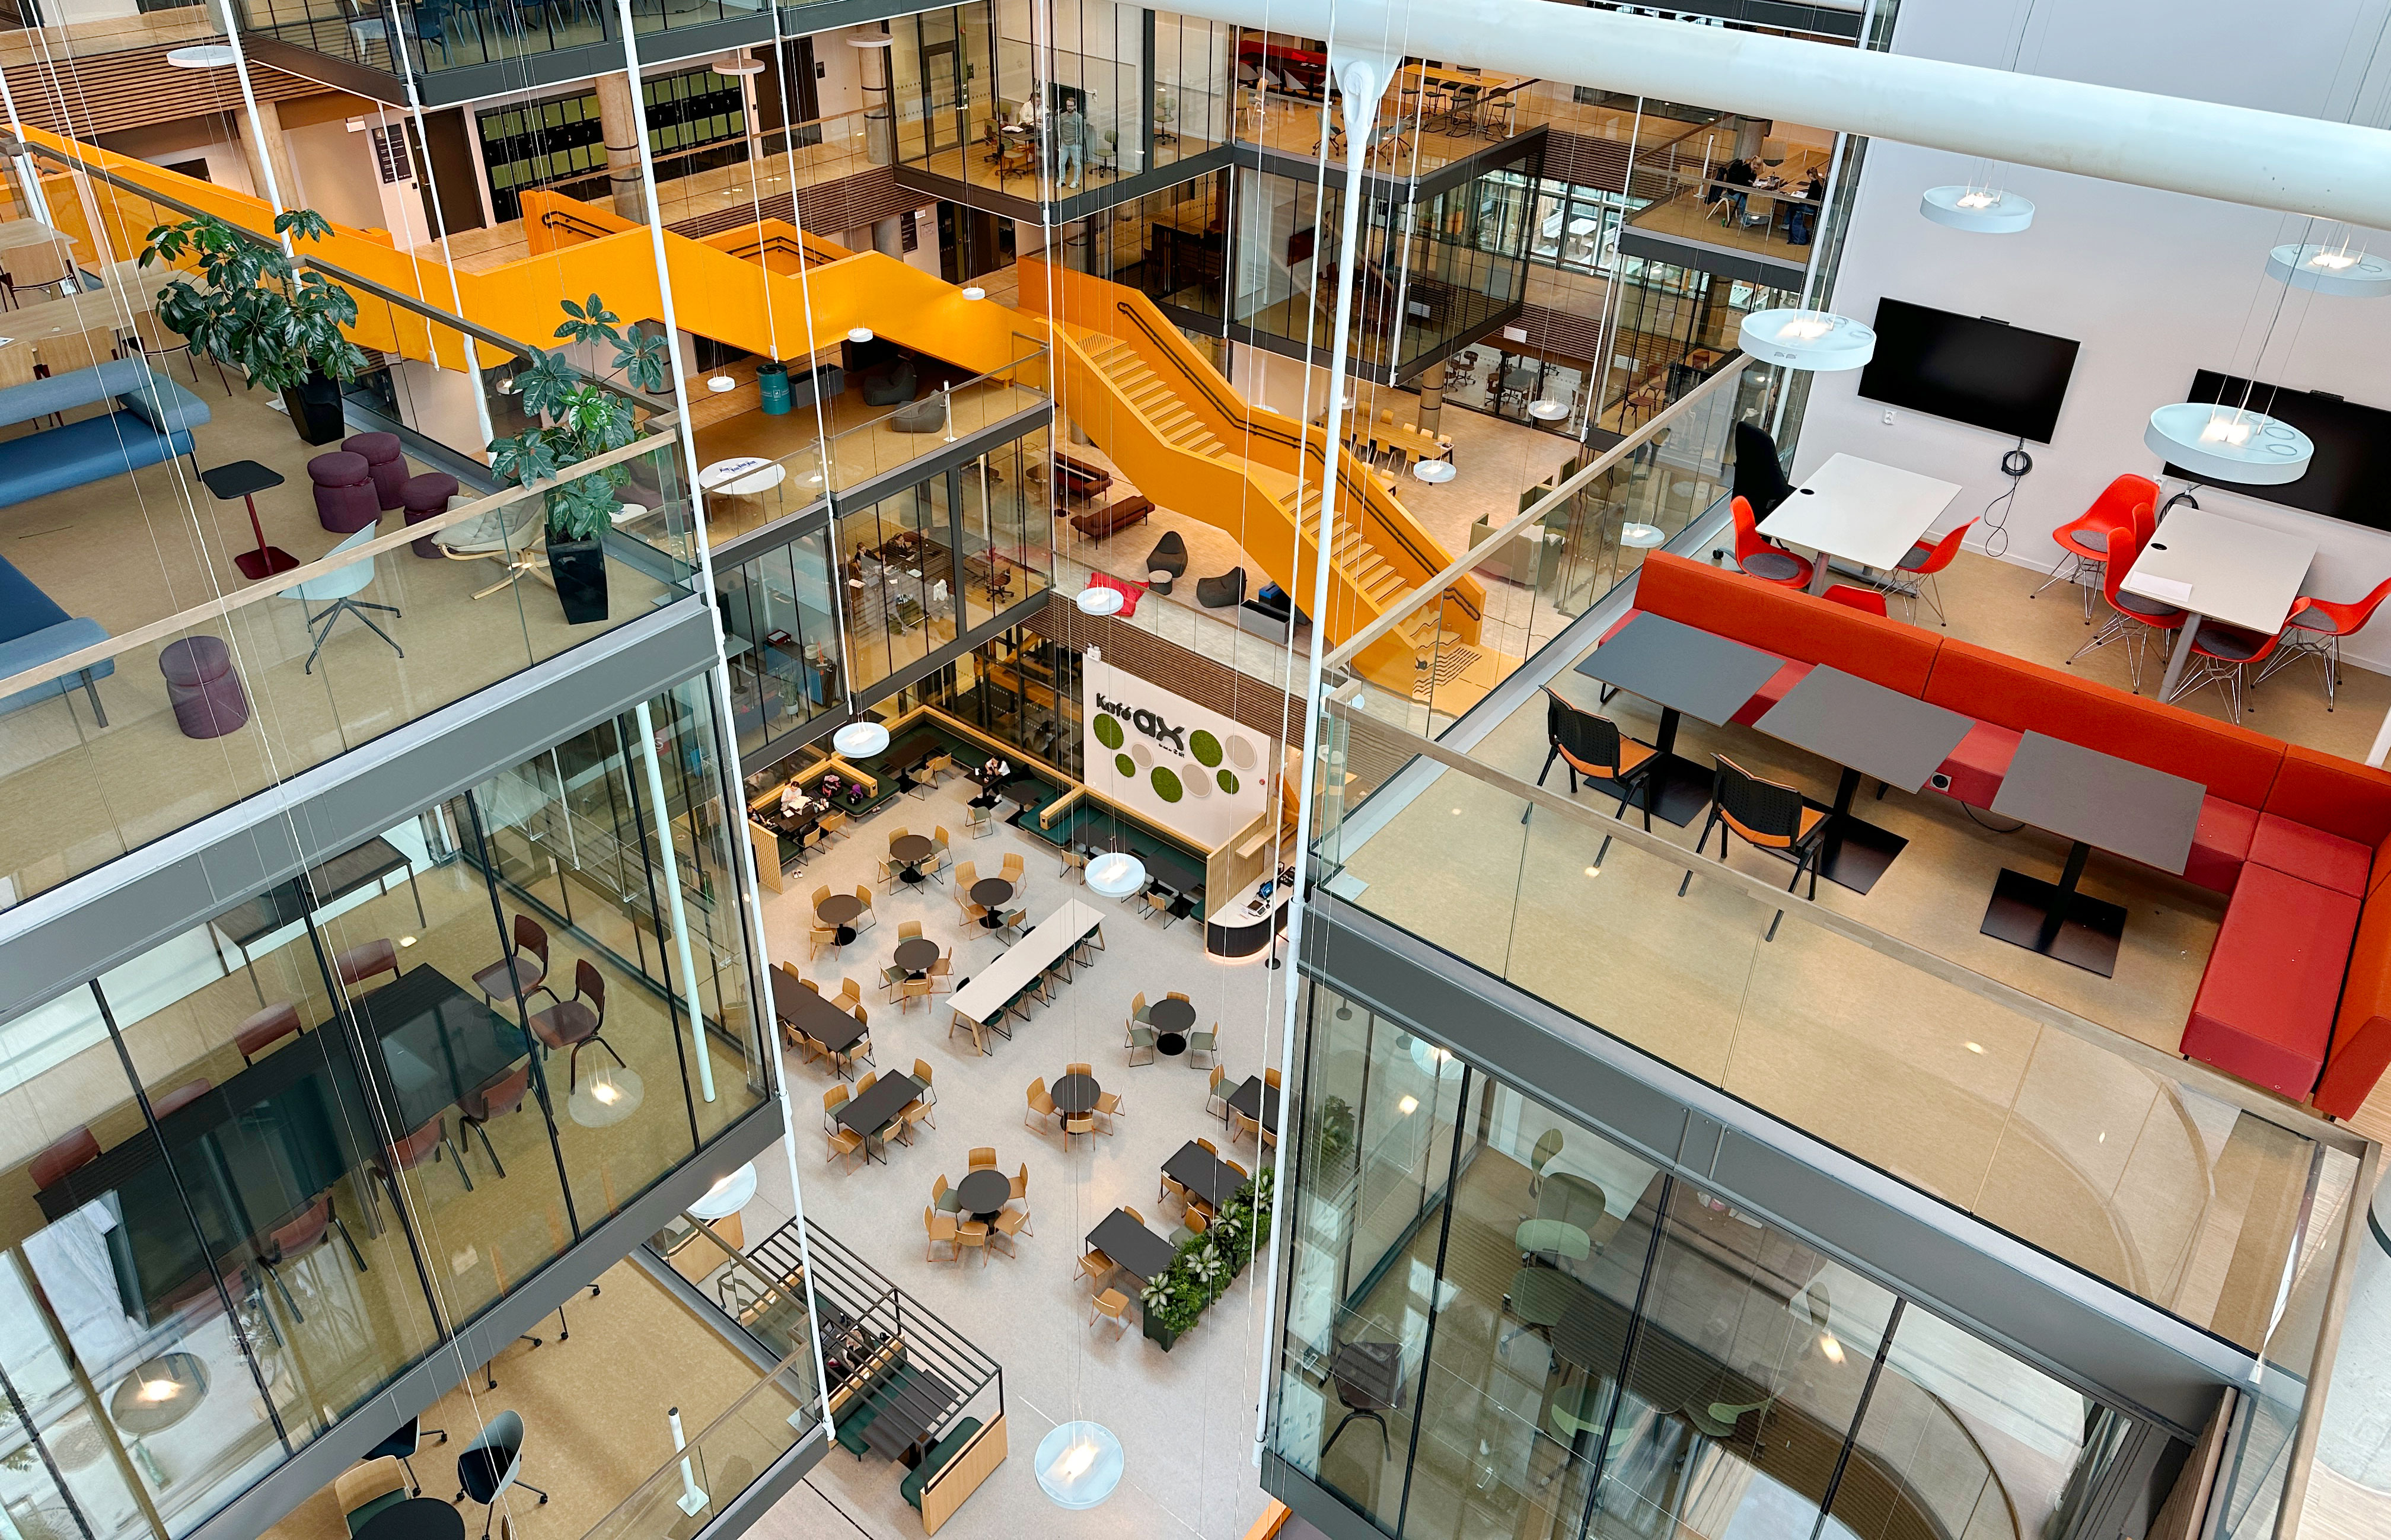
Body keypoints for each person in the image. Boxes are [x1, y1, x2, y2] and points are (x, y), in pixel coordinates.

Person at [1787, 168, 1826, 245]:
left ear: (1810, 175)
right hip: (1817, 207)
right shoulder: (1821, 181)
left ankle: (1787, 223)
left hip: (1812, 207)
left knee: (1792, 206)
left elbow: (1809, 198)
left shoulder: (1814, 184)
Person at [1056, 95, 1087, 189]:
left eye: (1071, 106)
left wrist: (1080, 141)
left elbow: (1083, 130)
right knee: (1061, 162)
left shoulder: (1079, 117)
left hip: (1075, 143)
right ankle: (1062, 180)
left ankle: (1076, 181)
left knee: (1076, 163)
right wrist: (1060, 139)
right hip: (1064, 143)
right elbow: (1059, 128)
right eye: (1068, 106)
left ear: (1075, 106)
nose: (1069, 107)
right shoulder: (1063, 116)